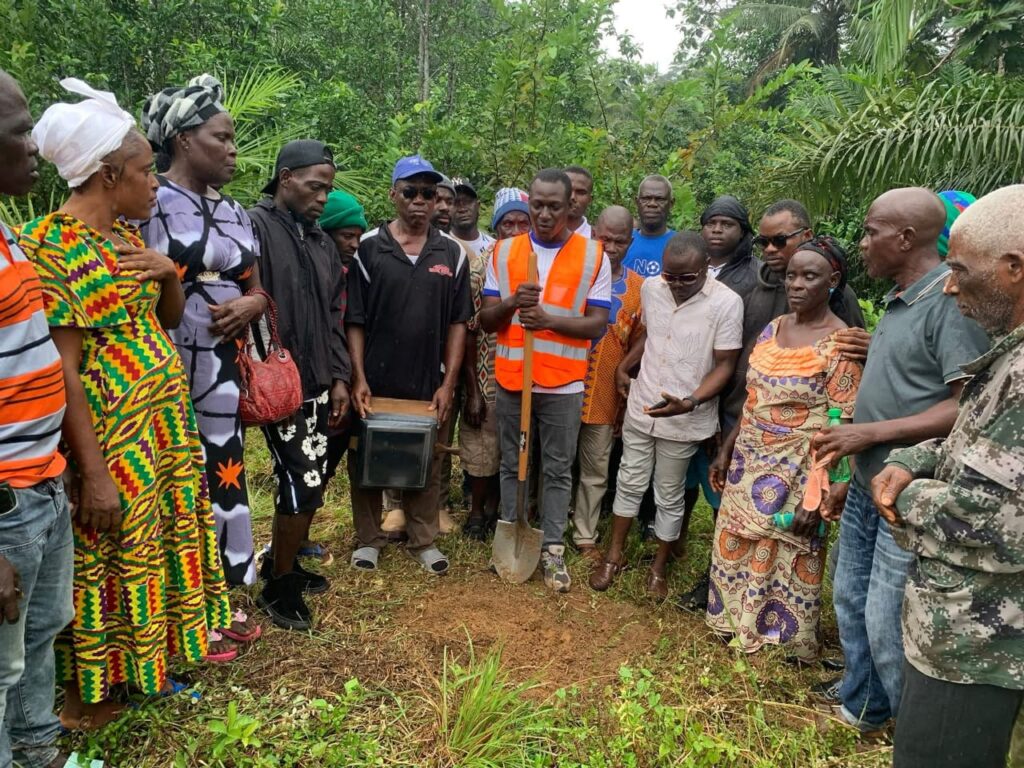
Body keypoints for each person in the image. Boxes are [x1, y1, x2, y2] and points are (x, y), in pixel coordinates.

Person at [21, 79, 229, 727]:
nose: (156, 186)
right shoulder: (52, 248)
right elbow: (66, 371)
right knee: (106, 559)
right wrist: (94, 473)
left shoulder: (127, 241)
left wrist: (168, 273)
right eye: (145, 174)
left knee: (152, 548)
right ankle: (90, 698)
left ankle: (144, 670)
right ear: (109, 175)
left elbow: (164, 321)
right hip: (110, 440)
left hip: (159, 429)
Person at [812, 187, 990, 733]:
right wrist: (854, 472)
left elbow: (966, 406)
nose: (862, 243)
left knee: (887, 616)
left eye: (871, 232)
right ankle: (864, 706)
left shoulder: (949, 305)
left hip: (905, 492)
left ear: (907, 238)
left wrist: (870, 435)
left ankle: (911, 737)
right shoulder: (899, 300)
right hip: (871, 483)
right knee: (850, 597)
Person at [875, 184, 1024, 768]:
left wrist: (906, 496)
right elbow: (982, 447)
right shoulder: (1009, 354)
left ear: (1013, 268)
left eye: (961, 268)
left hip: (979, 643)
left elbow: (1001, 527)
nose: (951, 283)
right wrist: (914, 458)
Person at [139, 74, 264, 653]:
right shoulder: (148, 202)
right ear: (185, 140)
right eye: (223, 136)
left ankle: (224, 596)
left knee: (226, 473)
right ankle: (176, 615)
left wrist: (251, 304)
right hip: (164, 368)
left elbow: (256, 286)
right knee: (177, 484)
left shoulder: (236, 210)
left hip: (222, 364)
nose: (233, 149)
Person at [705, 237, 863, 661]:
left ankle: (783, 638)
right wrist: (726, 450)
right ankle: (733, 621)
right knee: (737, 537)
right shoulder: (774, 329)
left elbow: (842, 422)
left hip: (800, 465)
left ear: (832, 281)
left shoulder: (841, 343)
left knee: (786, 543)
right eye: (791, 275)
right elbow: (753, 400)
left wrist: (823, 489)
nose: (796, 284)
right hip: (749, 456)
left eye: (809, 276)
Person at [480, 168, 611, 593]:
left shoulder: (594, 255)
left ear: (571, 204)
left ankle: (553, 548)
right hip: (514, 378)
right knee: (511, 463)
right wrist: (515, 302)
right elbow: (485, 319)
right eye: (537, 204)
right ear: (528, 201)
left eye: (554, 205)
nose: (544, 213)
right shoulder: (503, 252)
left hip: (564, 383)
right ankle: (510, 531)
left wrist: (548, 320)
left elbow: (596, 325)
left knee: (556, 468)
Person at [589, 232, 742, 598]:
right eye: (669, 276)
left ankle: (659, 569)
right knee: (628, 480)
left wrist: (689, 401)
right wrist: (624, 367)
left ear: (706, 267)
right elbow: (652, 335)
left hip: (685, 416)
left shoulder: (726, 303)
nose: (675, 285)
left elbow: (725, 366)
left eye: (686, 278)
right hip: (643, 404)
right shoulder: (653, 288)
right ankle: (614, 556)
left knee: (669, 492)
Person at [346, 155, 471, 575]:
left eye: (428, 193)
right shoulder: (368, 247)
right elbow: (355, 319)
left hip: (426, 378)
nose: (420, 201)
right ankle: (369, 538)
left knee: (428, 455)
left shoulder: (450, 252)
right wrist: (358, 375)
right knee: (366, 456)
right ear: (393, 195)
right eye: (411, 192)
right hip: (376, 376)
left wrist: (449, 382)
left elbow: (458, 323)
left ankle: (423, 539)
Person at [0, 70, 74, 768]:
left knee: (42, 628)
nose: (34, 145)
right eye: (20, 130)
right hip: (5, 503)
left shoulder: (6, 230)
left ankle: (35, 746)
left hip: (41, 479)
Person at [248, 140, 351, 630]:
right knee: (302, 478)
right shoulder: (254, 228)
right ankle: (277, 587)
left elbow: (333, 317)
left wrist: (339, 378)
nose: (322, 198)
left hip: (315, 381)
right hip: (273, 382)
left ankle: (281, 564)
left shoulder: (321, 242)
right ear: (285, 178)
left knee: (311, 477)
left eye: (328, 189)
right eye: (315, 186)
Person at [572, 206, 643, 561]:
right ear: (592, 234)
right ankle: (544, 521)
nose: (610, 246)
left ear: (631, 242)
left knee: (596, 468)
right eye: (604, 238)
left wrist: (626, 370)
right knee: (551, 461)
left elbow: (645, 337)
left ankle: (584, 533)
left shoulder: (639, 289)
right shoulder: (571, 275)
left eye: (619, 241)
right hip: (562, 388)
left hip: (604, 395)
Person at [460, 189, 530, 540]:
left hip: (524, 375)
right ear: (497, 226)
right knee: (481, 448)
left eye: (523, 222)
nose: (516, 230)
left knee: (511, 449)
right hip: (486, 375)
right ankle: (476, 513)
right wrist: (472, 388)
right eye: (508, 222)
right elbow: (469, 331)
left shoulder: (537, 264)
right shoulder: (481, 266)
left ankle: (498, 513)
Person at [319, 189, 368, 484]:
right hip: (320, 378)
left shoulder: (351, 273)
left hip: (345, 376)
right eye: (347, 236)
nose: (354, 244)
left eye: (358, 237)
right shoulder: (316, 273)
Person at [700, 195, 758, 298]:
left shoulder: (758, 273)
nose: (717, 230)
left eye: (727, 225)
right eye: (710, 224)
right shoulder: (688, 268)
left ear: (742, 232)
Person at [623, 175, 675, 278]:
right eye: (646, 198)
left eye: (660, 199)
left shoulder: (679, 244)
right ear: (637, 202)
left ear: (671, 204)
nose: (652, 204)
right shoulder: (622, 242)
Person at [450, 178, 495, 255]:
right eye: (455, 203)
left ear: (478, 206)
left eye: (467, 201)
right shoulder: (441, 247)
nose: (462, 209)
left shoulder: (493, 247)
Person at [563, 166, 594, 238]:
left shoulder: (598, 238)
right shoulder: (537, 235)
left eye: (580, 192)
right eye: (568, 190)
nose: (572, 197)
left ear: (590, 199)